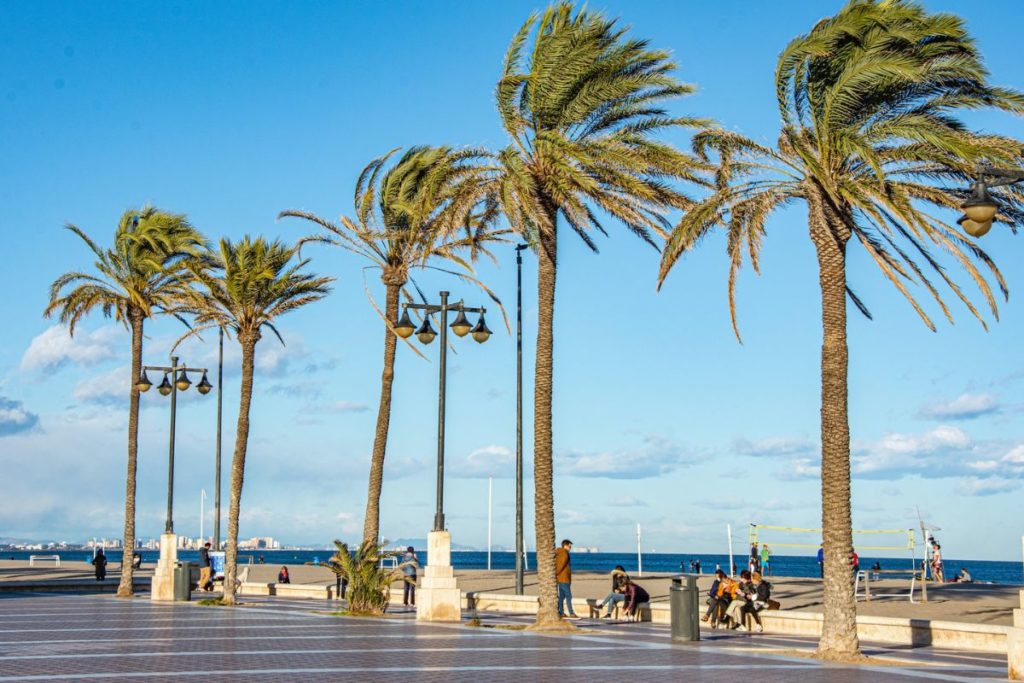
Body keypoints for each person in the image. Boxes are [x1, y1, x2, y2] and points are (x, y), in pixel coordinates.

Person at [555, 539, 579, 619]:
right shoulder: (565, 553)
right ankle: (571, 613)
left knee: (562, 596)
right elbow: (561, 565)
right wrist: (556, 573)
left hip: (561, 578)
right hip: (564, 579)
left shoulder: (559, 553)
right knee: (569, 596)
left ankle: (561, 612)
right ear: (565, 546)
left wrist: (557, 574)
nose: (570, 547)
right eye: (569, 546)